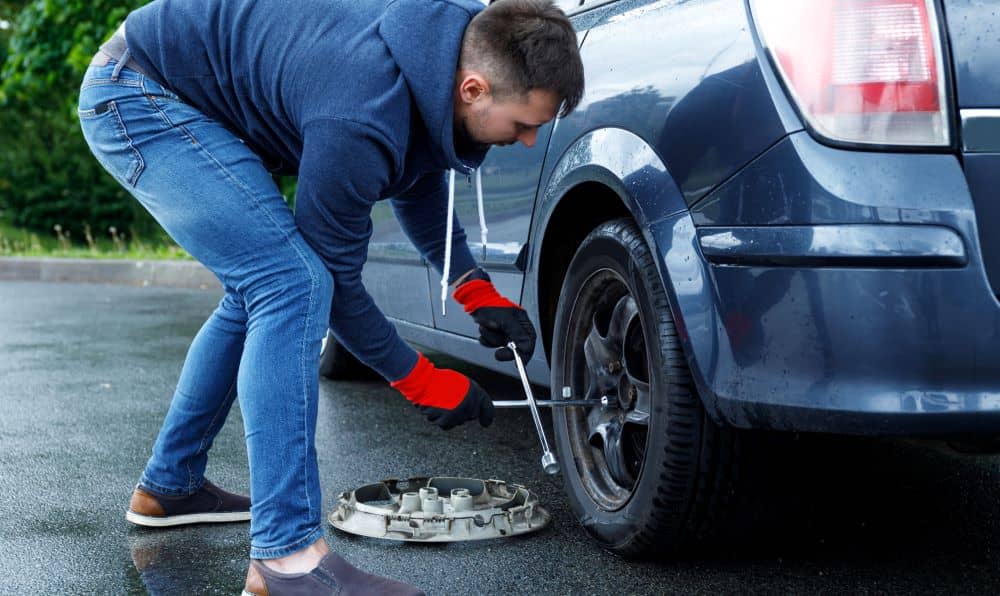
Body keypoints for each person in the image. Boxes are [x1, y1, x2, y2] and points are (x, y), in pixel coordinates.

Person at [77, 0, 584, 593]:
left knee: (261, 288)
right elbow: (337, 281)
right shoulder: (361, 108)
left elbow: (415, 180)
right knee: (292, 283)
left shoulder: (444, 55)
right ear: (473, 89)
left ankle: (170, 485)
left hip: (177, 89)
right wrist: (419, 379)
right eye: (522, 125)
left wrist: (477, 291)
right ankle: (287, 560)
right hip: (139, 94)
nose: (527, 142)